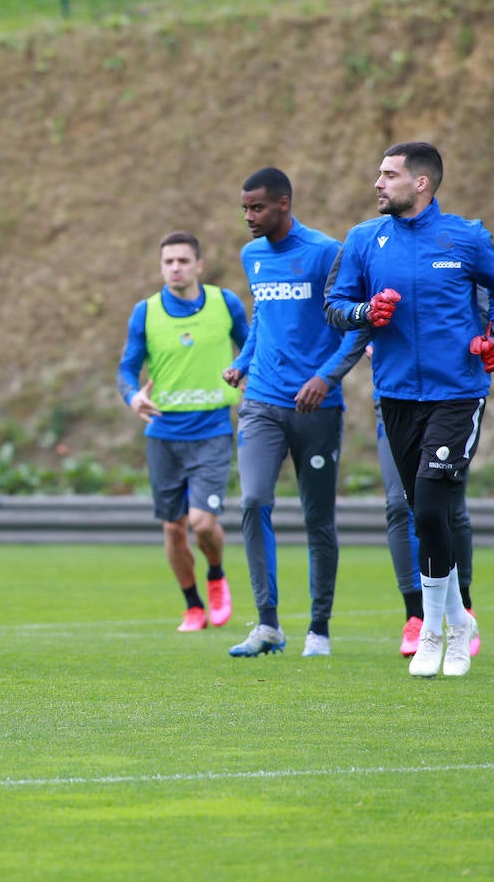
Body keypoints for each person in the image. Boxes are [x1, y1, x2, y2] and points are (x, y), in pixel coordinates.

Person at [324, 141, 494, 678]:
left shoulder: (466, 236)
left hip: (458, 391)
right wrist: (366, 310)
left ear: (421, 184)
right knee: (420, 512)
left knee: (433, 506)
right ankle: (459, 620)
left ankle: (438, 631)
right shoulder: (364, 239)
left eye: (388, 175)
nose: (377, 184)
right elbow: (335, 307)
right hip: (396, 396)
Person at [222, 168, 364, 658]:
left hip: (317, 407)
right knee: (252, 500)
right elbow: (263, 315)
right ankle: (267, 625)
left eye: (256, 208)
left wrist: (325, 376)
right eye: (244, 208)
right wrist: (243, 362)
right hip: (261, 400)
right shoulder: (252, 256)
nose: (248, 217)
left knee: (317, 519)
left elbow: (353, 323)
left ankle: (318, 629)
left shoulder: (325, 252)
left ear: (283, 204)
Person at [117, 230, 247, 632]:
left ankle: (216, 574)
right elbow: (126, 368)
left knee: (202, 523)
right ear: (161, 268)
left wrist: (245, 373)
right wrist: (133, 396)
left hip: (211, 429)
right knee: (174, 528)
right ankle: (193, 606)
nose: (175, 268)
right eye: (168, 262)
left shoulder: (226, 304)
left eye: (183, 261)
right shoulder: (146, 312)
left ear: (199, 266)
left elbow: (253, 346)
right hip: (163, 433)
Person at [325, 336, 479, 658]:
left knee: (445, 506)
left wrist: (486, 338)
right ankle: (415, 615)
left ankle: (463, 609)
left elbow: (488, 301)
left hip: (448, 392)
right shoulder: (373, 284)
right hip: (395, 394)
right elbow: (340, 301)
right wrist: (361, 331)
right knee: (400, 504)